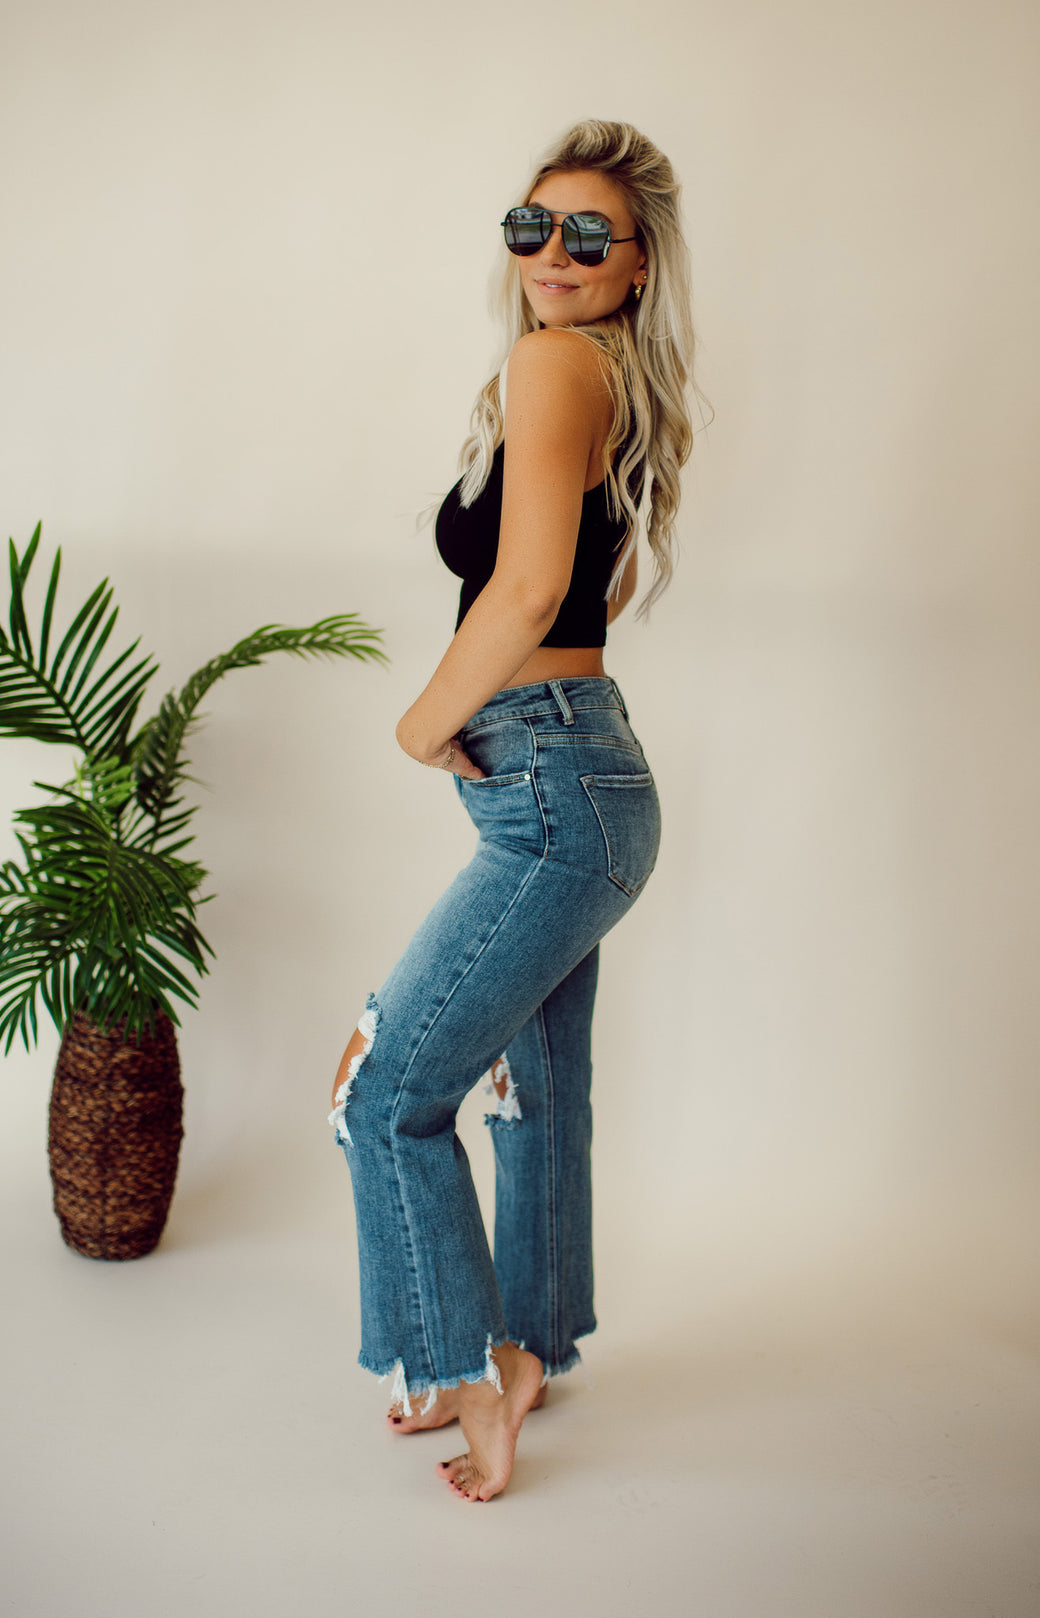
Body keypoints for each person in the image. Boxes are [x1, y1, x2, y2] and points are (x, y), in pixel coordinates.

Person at [328, 119, 697, 1503]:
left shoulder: (555, 365)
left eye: (588, 233)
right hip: (578, 782)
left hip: (550, 787)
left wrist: (424, 717)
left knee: (384, 1092)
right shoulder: (597, 373)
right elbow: (566, 579)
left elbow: (532, 586)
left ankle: (467, 1373)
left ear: (639, 262)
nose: (553, 253)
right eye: (531, 225)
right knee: (537, 1092)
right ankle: (531, 1348)